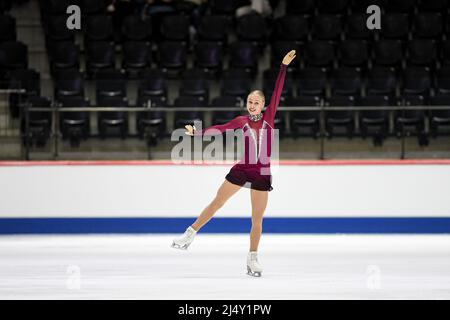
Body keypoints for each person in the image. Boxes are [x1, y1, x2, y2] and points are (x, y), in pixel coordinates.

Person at [172, 50, 297, 277]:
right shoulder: (241, 120)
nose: (252, 105)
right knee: (217, 202)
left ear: (263, 105)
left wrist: (283, 67)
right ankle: (189, 234)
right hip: (242, 168)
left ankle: (253, 259)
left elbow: (278, 89)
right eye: (250, 101)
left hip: (261, 173)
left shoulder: (269, 116)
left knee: (256, 219)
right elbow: (219, 129)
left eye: (256, 102)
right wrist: (197, 133)